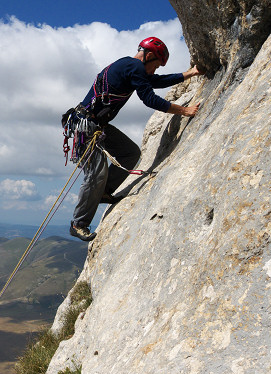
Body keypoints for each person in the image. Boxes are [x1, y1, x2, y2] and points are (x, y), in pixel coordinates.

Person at [69, 37, 204, 242]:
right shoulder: (133, 66)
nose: (154, 70)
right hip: (86, 126)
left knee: (130, 153)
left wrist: (190, 73)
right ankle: (78, 223)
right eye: (156, 65)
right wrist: (183, 110)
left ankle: (105, 192)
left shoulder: (131, 67)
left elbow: (156, 81)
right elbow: (149, 99)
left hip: (98, 125)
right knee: (97, 172)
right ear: (149, 55)